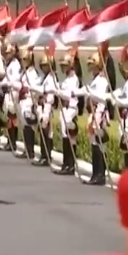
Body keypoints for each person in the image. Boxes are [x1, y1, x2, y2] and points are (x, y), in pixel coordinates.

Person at [84, 51, 112, 186]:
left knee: (99, 145)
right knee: (94, 144)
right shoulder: (95, 80)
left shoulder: (102, 81)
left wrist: (97, 120)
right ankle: (96, 173)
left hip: (98, 115)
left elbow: (101, 101)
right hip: (93, 113)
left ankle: (100, 174)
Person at [54, 48, 83, 176]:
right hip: (64, 109)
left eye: (65, 65)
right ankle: (66, 163)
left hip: (70, 109)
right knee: (64, 136)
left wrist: (57, 91)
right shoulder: (66, 79)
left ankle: (70, 165)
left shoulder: (73, 79)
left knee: (69, 137)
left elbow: (68, 95)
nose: (63, 67)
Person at [28, 47, 57, 167]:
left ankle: (47, 156)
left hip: (47, 107)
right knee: (42, 132)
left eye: (46, 65)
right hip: (41, 106)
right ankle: (44, 155)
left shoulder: (51, 78)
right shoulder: (43, 78)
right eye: (43, 65)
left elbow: (49, 94)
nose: (44, 67)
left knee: (46, 132)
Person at [17, 47, 41, 161]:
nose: (24, 61)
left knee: (29, 125)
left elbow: (34, 89)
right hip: (22, 101)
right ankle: (27, 149)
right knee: (25, 126)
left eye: (25, 59)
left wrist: (32, 103)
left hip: (28, 100)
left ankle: (30, 150)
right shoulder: (24, 72)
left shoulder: (33, 73)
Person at [0, 42, 21, 151]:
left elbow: (14, 80)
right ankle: (9, 141)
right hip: (8, 91)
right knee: (8, 116)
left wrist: (6, 83)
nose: (7, 55)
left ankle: (13, 142)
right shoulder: (9, 64)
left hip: (13, 91)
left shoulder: (15, 64)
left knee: (12, 117)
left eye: (9, 53)